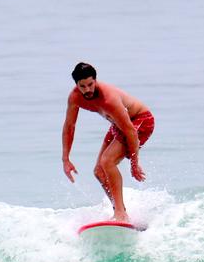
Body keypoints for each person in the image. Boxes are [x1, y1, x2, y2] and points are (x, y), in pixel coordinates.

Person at [62, 62, 155, 222]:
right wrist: (66, 159)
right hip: (118, 124)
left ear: (95, 80)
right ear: (77, 85)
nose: (88, 90)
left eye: (90, 84)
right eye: (82, 86)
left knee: (107, 161)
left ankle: (120, 214)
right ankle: (119, 210)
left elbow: (130, 131)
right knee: (99, 171)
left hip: (140, 121)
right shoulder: (75, 97)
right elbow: (69, 126)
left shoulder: (109, 99)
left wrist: (134, 163)